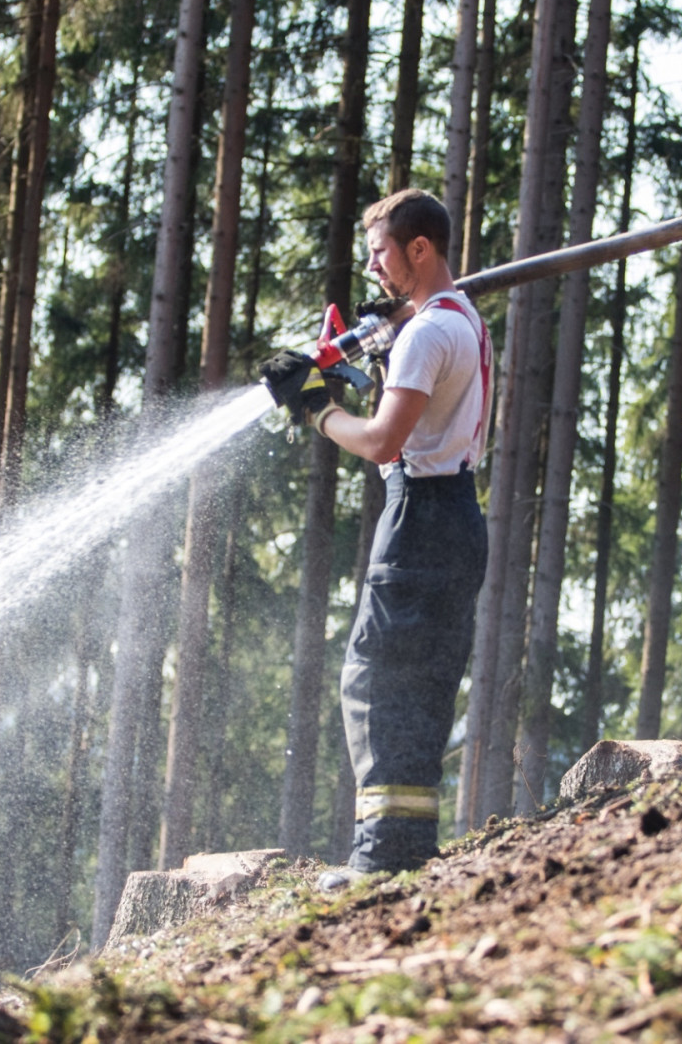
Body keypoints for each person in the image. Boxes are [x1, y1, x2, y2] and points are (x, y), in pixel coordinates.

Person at [259, 189, 491, 889]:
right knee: (419, 682)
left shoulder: (426, 333)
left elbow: (384, 440)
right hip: (456, 514)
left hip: (418, 513)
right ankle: (404, 848)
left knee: (377, 678)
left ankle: (382, 858)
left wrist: (317, 408)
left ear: (420, 248)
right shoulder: (459, 320)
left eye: (381, 252)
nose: (371, 267)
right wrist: (374, 343)